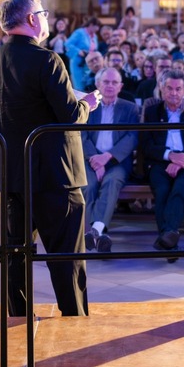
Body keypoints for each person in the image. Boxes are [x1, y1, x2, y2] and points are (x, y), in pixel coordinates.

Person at [0, 0, 99, 317]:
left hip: (11, 174)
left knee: (15, 253)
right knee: (67, 255)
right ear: (32, 19)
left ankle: (18, 319)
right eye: (43, 13)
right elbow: (70, 116)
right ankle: (74, 318)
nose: (46, 19)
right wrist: (87, 103)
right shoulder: (48, 61)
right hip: (54, 176)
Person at [140, 68, 184, 259]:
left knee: (179, 189)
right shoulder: (152, 112)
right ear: (161, 89)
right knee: (162, 190)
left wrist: (181, 160)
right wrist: (170, 156)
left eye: (178, 89)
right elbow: (146, 145)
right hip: (160, 162)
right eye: (169, 88)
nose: (174, 93)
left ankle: (167, 237)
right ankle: (169, 240)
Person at [79, 66, 138, 253]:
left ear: (120, 86)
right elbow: (82, 135)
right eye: (106, 82)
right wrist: (95, 160)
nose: (110, 86)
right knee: (87, 185)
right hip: (90, 159)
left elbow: (132, 137)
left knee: (111, 182)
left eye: (114, 82)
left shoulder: (130, 108)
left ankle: (92, 232)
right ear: (97, 84)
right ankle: (98, 234)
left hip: (117, 162)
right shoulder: (87, 106)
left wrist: (107, 158)